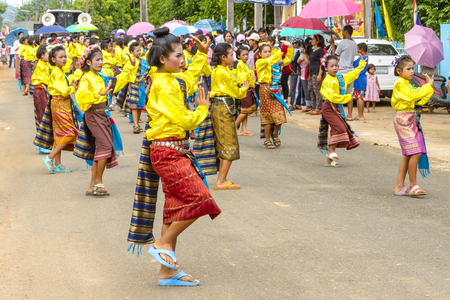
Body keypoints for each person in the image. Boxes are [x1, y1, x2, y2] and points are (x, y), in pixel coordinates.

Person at [140, 27, 221, 286]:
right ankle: (163, 243)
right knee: (200, 199)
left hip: (174, 149)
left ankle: (167, 272)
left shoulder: (171, 78)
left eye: (183, 54)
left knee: (175, 210)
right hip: (168, 151)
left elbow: (190, 76)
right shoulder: (163, 85)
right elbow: (185, 119)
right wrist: (202, 110)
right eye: (178, 55)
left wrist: (201, 54)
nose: (183, 58)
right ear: (163, 59)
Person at [74, 45, 135, 196]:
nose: (100, 62)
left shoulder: (102, 76)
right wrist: (97, 94)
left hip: (103, 115)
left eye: (101, 59)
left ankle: (92, 185)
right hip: (93, 115)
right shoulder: (86, 78)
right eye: (97, 60)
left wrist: (129, 67)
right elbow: (81, 96)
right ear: (88, 62)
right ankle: (98, 182)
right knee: (105, 146)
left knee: (99, 148)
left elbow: (119, 81)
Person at [391, 54, 434, 196]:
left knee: (409, 154)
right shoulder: (400, 84)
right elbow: (412, 96)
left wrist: (429, 88)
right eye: (408, 69)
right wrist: (427, 87)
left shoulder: (407, 84)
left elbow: (419, 101)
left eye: (412, 68)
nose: (411, 71)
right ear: (399, 71)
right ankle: (413, 185)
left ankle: (399, 186)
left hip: (410, 119)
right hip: (403, 120)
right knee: (415, 152)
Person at [210, 43, 249, 189]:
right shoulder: (222, 72)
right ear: (223, 57)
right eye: (231, 55)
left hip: (220, 107)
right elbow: (235, 92)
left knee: (224, 142)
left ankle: (222, 179)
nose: (233, 57)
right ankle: (220, 181)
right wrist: (244, 88)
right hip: (222, 108)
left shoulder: (220, 70)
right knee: (229, 143)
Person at [318, 53, 367, 167]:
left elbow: (353, 74)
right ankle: (330, 151)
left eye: (336, 65)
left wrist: (362, 64)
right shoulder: (326, 81)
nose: (335, 68)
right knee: (339, 128)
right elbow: (332, 97)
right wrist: (347, 97)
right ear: (326, 68)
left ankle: (328, 160)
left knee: (337, 129)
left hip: (337, 107)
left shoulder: (341, 77)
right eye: (332, 66)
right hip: (329, 107)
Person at [37, 45, 79, 174]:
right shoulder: (56, 72)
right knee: (70, 133)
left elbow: (71, 66)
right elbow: (65, 91)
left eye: (65, 56)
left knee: (60, 134)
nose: (64, 59)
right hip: (60, 103)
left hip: (61, 104)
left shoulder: (59, 70)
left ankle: (58, 164)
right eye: (61, 57)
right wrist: (72, 86)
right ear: (53, 59)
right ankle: (49, 158)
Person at [256, 41, 293, 149]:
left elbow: (287, 61)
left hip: (275, 90)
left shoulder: (275, 62)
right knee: (268, 117)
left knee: (280, 114)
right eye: (265, 52)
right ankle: (267, 139)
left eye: (269, 51)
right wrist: (277, 53)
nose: (267, 53)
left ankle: (275, 133)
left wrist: (289, 47)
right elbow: (269, 60)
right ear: (260, 54)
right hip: (265, 90)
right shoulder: (260, 62)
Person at [116, 41, 147, 133]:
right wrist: (137, 79)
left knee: (140, 107)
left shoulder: (144, 61)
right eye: (137, 50)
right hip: (134, 86)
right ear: (131, 52)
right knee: (134, 106)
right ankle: (136, 126)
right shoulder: (130, 62)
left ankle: (137, 124)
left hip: (142, 87)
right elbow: (127, 74)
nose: (139, 52)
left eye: (140, 50)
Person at [329, 25, 358, 120]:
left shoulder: (342, 43)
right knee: (349, 94)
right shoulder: (354, 43)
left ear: (346, 31)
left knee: (339, 93)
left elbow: (334, 55)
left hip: (341, 71)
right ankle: (350, 115)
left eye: (342, 31)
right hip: (350, 71)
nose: (341, 32)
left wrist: (332, 44)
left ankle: (339, 113)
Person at [31, 45, 51, 140]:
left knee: (45, 114)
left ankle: (45, 140)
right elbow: (44, 79)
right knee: (43, 115)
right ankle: (42, 141)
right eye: (47, 53)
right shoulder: (40, 65)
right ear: (42, 55)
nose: (49, 55)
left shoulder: (45, 64)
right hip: (41, 91)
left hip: (43, 90)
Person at [235, 45, 256, 136]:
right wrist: (251, 71)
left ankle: (244, 129)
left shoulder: (243, 64)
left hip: (248, 88)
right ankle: (235, 127)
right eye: (243, 55)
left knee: (246, 110)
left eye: (247, 54)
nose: (246, 56)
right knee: (244, 110)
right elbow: (244, 78)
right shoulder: (240, 64)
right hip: (244, 88)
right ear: (239, 56)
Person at [305, 34, 326, 115]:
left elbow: (322, 63)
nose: (312, 40)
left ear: (318, 41)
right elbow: (308, 62)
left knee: (317, 90)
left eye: (313, 39)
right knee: (310, 89)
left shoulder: (321, 51)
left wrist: (320, 75)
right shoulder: (312, 51)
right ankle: (314, 107)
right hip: (311, 72)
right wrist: (304, 53)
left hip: (317, 72)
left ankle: (318, 108)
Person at [351, 42, 368, 120]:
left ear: (361, 49)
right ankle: (360, 115)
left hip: (359, 79)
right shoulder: (364, 57)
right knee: (359, 97)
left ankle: (360, 115)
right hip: (361, 79)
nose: (357, 50)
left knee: (359, 97)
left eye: (358, 49)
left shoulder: (363, 58)